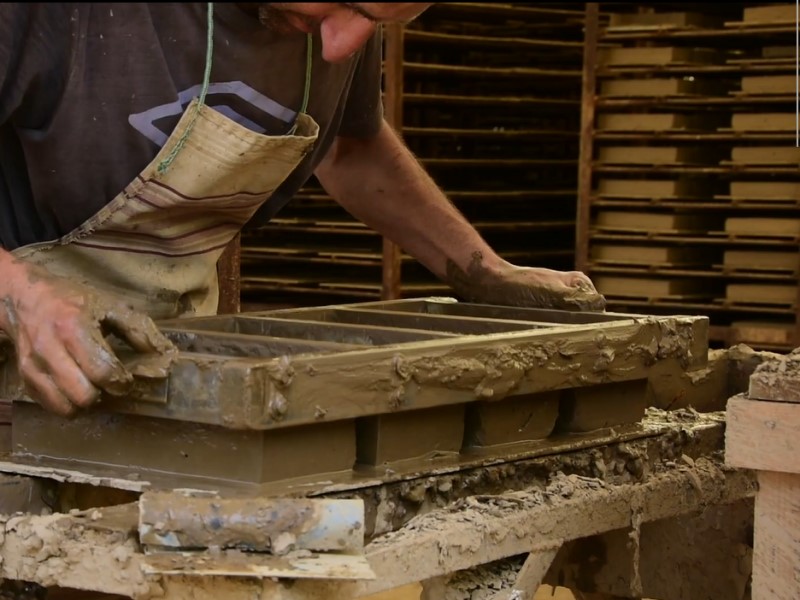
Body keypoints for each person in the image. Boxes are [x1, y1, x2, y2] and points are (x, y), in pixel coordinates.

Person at [0, 3, 605, 418]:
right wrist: (25, 298)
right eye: (343, 4)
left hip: (160, 365)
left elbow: (349, 146)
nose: (345, 43)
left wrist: (478, 268)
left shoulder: (336, 28)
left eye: (381, 21)